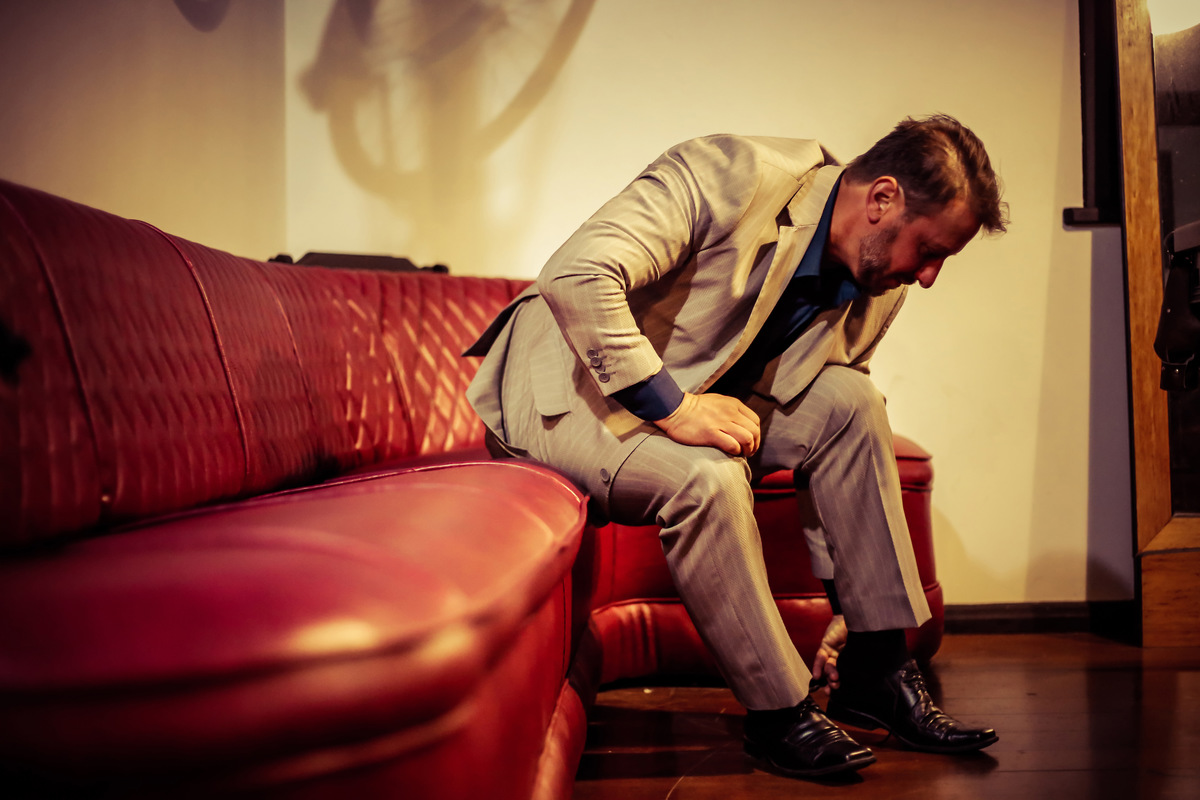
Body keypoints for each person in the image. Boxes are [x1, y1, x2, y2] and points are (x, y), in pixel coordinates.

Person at [465, 114, 1008, 779]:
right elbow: (578, 274)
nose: (928, 276)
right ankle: (778, 714)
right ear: (883, 198)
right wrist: (677, 408)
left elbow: (832, 434)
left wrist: (850, 603)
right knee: (709, 476)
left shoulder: (878, 280)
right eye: (929, 250)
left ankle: (877, 666)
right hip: (569, 388)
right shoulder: (730, 173)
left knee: (853, 401)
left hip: (702, 393)